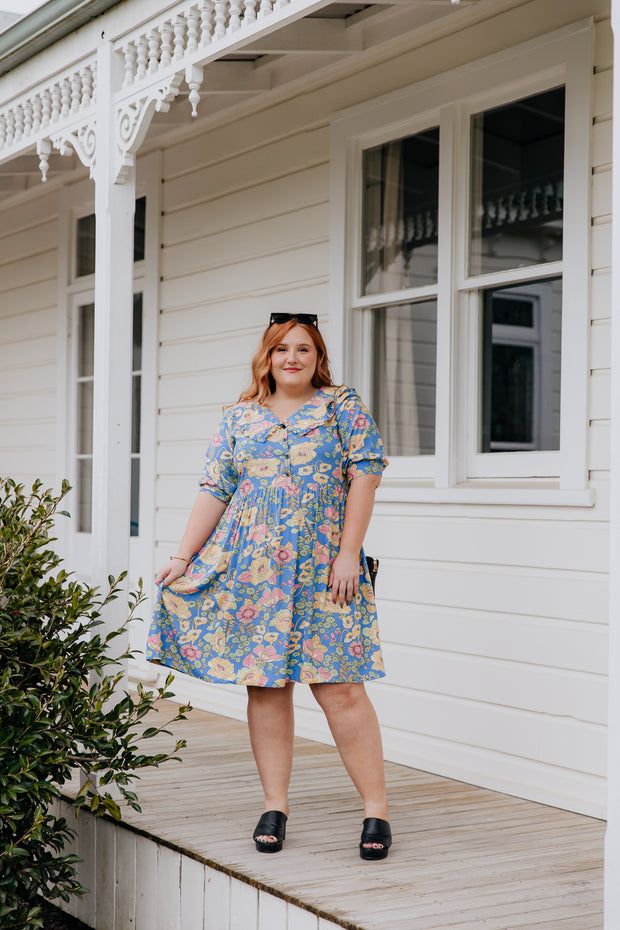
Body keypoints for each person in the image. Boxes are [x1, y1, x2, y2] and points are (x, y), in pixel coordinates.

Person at [146, 312, 392, 860]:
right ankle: (274, 805)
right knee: (266, 686)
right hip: (254, 571)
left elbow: (366, 474)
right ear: (268, 358)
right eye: (282, 349)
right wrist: (184, 555)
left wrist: (348, 552)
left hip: (328, 568)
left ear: (318, 357)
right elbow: (217, 488)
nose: (293, 358)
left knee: (341, 688)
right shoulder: (240, 417)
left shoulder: (341, 408)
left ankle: (376, 810)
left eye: (303, 349)